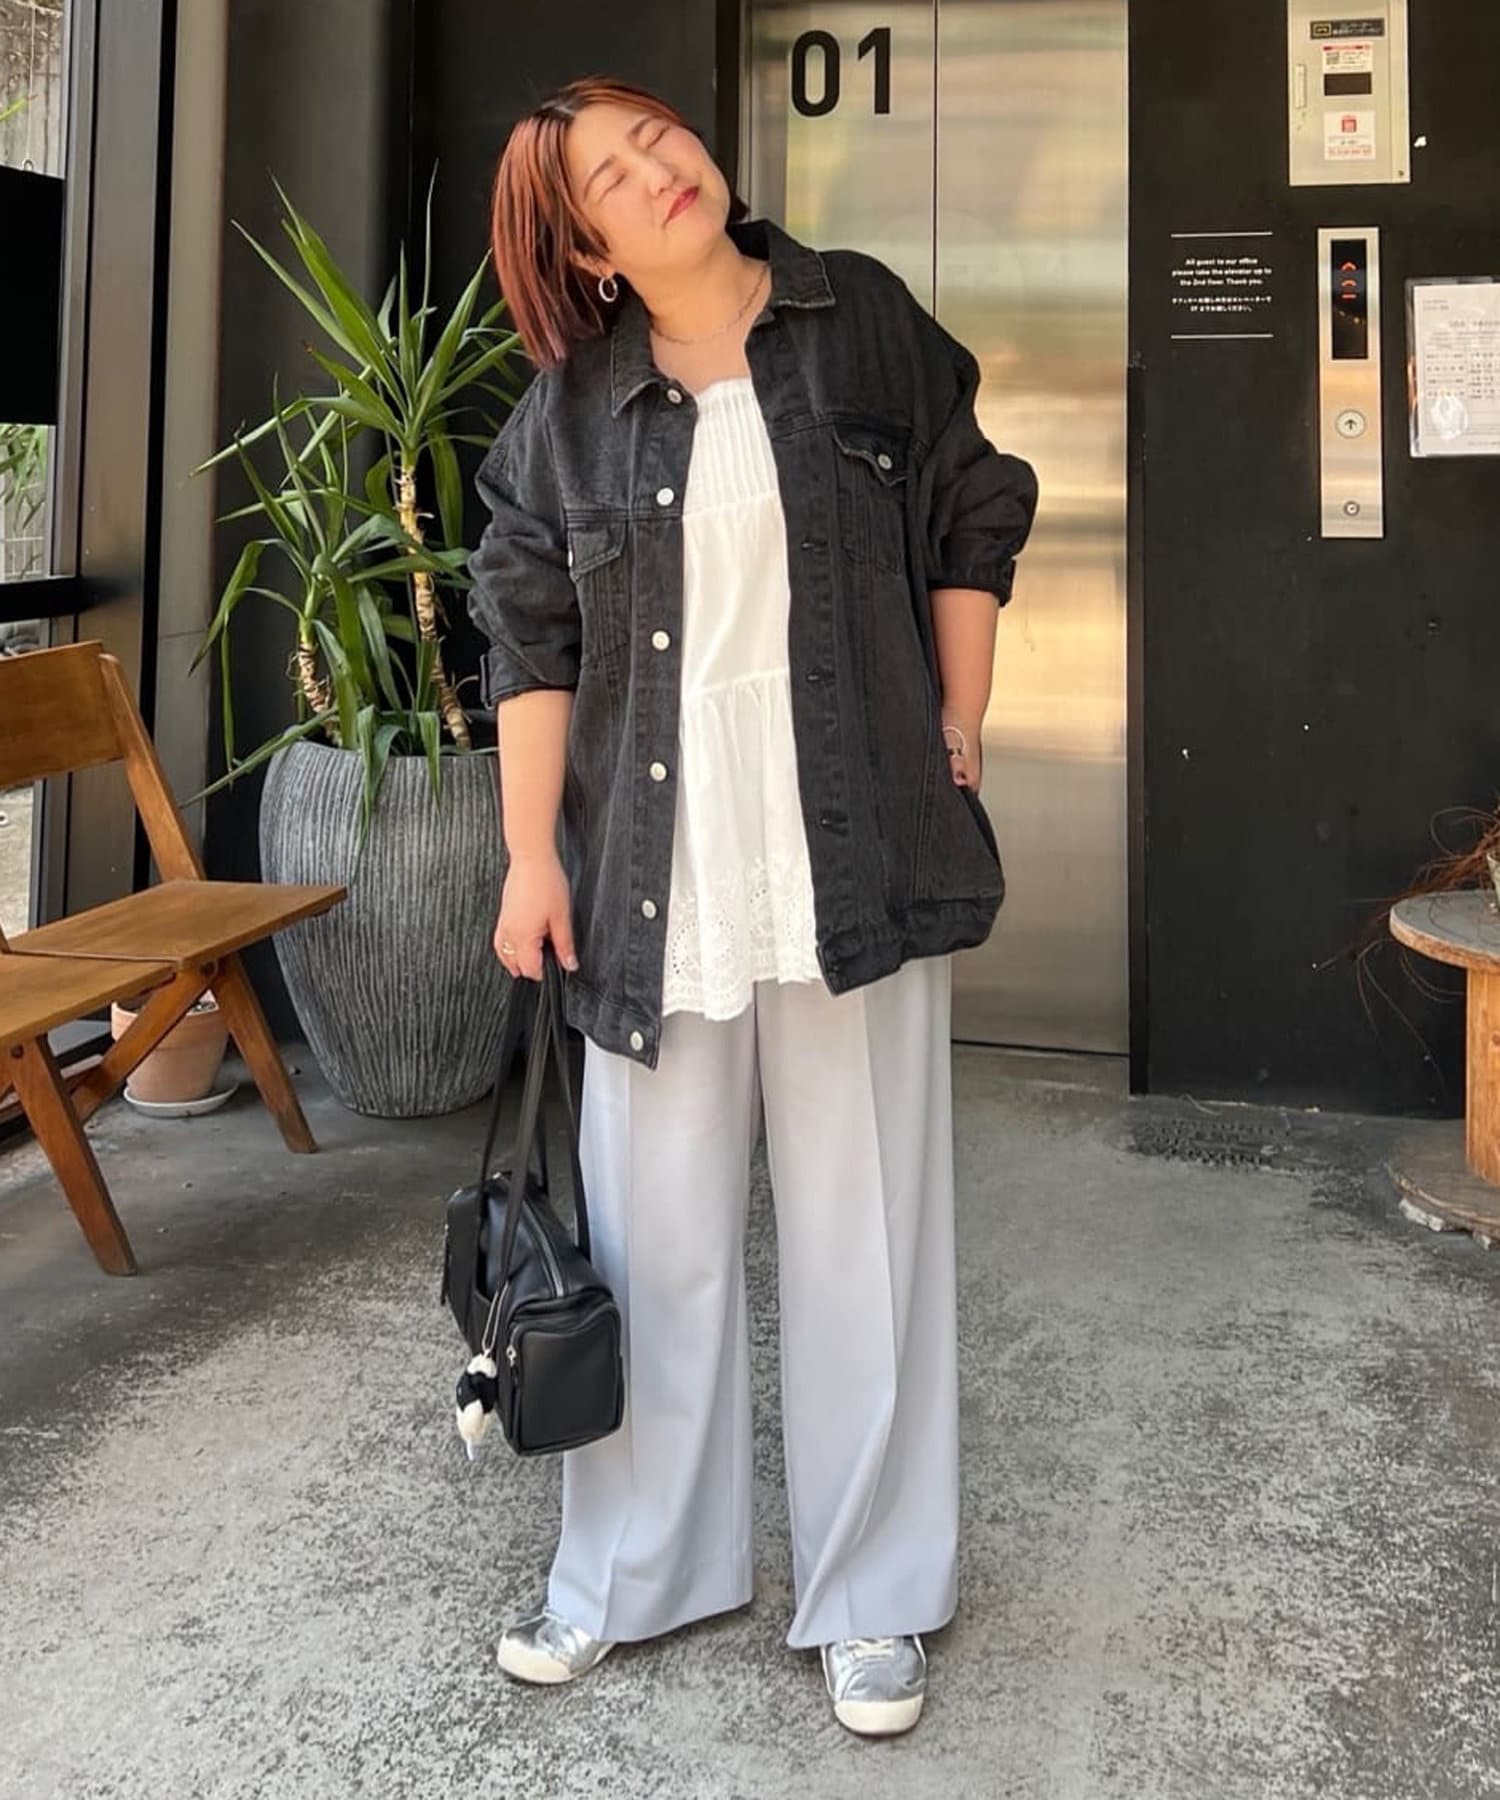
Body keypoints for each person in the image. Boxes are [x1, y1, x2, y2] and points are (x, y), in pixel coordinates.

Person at [466, 73, 1038, 1738]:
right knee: (653, 1241)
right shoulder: (570, 410)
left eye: (657, 137)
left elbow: (971, 500)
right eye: (612, 177)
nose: (660, 170)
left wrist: (963, 711)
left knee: (869, 1230)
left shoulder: (857, 317)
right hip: (654, 871)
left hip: (849, 844)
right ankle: (630, 1574)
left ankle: (873, 1595)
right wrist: (527, 856)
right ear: (581, 247)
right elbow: (528, 638)